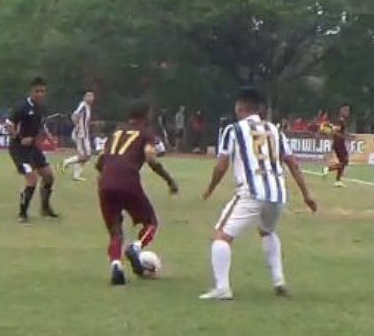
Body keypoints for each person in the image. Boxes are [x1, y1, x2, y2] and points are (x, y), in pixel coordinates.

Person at [199, 88, 317, 301]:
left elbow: (222, 165)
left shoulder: (234, 129)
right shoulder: (275, 130)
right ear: (260, 108)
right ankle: (279, 280)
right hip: (277, 193)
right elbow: (292, 162)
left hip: (251, 191)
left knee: (221, 236)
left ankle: (222, 288)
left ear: (239, 107)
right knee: (267, 232)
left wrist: (210, 188)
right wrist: (306, 194)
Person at [95, 102, 179, 285]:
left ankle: (116, 265)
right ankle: (136, 247)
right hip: (128, 182)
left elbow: (99, 162)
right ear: (146, 115)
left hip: (105, 183)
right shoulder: (145, 132)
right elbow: (151, 157)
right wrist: (169, 180)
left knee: (115, 230)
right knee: (151, 223)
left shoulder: (116, 132)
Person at [5, 77, 59, 223]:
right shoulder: (22, 107)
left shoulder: (41, 108)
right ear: (31, 91)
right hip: (19, 149)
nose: (40, 94)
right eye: (37, 91)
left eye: (43, 91)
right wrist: (18, 138)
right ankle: (22, 213)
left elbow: (41, 125)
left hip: (33, 148)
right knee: (32, 178)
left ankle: (45, 208)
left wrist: (48, 137)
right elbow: (8, 124)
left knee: (49, 176)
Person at [61, 90, 95, 181]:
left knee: (86, 155)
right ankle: (66, 162)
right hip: (81, 134)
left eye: (92, 96)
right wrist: (77, 127)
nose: (91, 98)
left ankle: (76, 175)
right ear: (84, 97)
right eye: (89, 96)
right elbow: (75, 115)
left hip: (84, 134)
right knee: (85, 155)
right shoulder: (83, 105)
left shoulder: (88, 107)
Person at [322, 104, 351, 188]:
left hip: (338, 143)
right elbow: (335, 132)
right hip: (339, 143)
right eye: (346, 111)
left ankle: (338, 181)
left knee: (343, 162)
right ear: (342, 111)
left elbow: (340, 131)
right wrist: (344, 137)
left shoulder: (342, 120)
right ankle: (328, 169)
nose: (348, 113)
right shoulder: (341, 120)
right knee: (345, 161)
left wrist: (347, 135)